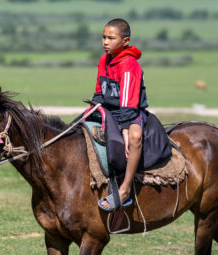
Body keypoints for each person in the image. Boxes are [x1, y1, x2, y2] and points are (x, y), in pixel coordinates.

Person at [92, 18, 148, 211]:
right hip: (110, 110)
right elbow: (99, 91)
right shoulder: (103, 60)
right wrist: (93, 110)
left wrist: (124, 130)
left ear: (125, 41)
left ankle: (124, 190)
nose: (105, 42)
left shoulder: (129, 64)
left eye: (111, 38)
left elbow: (128, 102)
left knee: (134, 138)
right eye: (103, 37)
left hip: (131, 112)